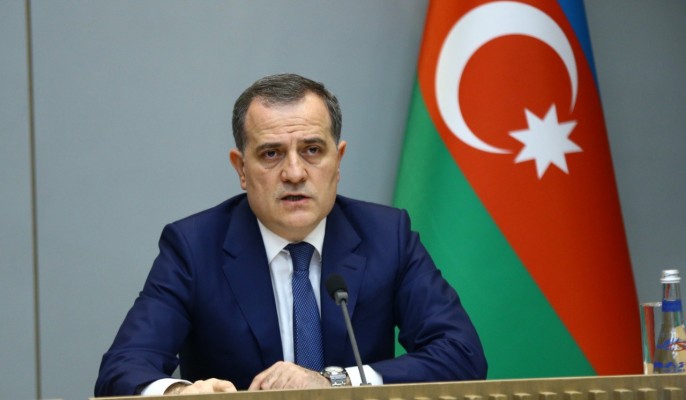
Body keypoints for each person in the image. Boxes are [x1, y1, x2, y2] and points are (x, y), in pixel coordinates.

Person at [94, 73, 487, 397]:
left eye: (312, 150)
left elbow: (462, 354)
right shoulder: (194, 248)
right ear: (241, 168)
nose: (295, 173)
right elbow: (123, 367)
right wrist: (179, 392)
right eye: (271, 153)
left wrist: (337, 382)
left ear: (338, 160)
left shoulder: (387, 236)